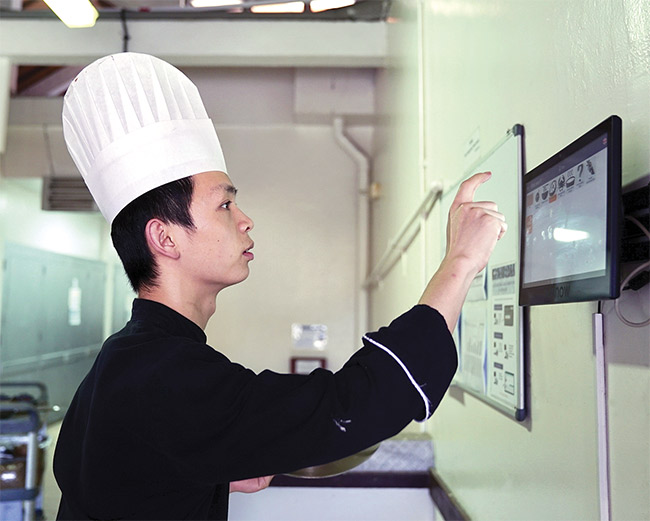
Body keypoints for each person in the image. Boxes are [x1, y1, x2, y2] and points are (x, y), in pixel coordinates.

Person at [53, 52, 506, 521]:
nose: (246, 220)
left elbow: (122, 482)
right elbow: (353, 404)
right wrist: (461, 261)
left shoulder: (124, 359)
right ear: (164, 238)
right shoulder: (164, 373)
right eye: (225, 206)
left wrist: (205, 470)